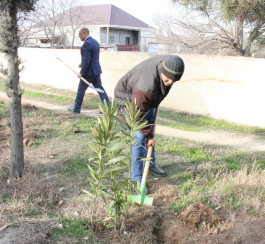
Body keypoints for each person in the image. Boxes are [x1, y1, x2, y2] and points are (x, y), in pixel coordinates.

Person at [114, 55, 185, 194]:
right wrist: (149, 134)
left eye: (174, 80)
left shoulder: (168, 64)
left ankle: (150, 164)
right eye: (168, 79)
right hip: (128, 101)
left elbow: (148, 103)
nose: (170, 82)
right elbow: (139, 115)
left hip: (145, 101)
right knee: (140, 138)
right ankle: (136, 179)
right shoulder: (145, 87)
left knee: (149, 125)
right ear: (162, 72)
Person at [68, 27, 109, 113]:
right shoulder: (95, 42)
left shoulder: (86, 44)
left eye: (79, 35)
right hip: (96, 71)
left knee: (81, 90)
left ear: (84, 34)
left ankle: (76, 108)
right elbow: (91, 58)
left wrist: (81, 73)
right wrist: (82, 64)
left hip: (88, 73)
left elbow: (87, 60)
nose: (79, 37)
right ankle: (107, 109)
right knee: (100, 89)